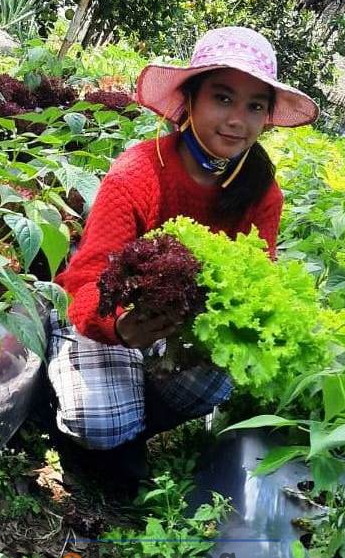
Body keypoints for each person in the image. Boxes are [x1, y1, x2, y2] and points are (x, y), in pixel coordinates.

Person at [46, 27, 319, 484]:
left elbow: (259, 279)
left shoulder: (261, 193)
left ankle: (122, 433)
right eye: (223, 98)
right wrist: (117, 325)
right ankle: (86, 418)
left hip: (173, 332)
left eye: (255, 106)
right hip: (109, 321)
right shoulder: (139, 172)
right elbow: (86, 280)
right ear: (189, 99)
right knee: (98, 423)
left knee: (213, 385)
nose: (238, 120)